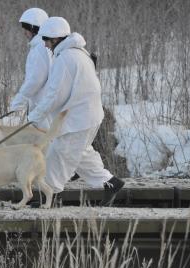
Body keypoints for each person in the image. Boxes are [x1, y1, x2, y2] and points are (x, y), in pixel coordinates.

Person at [28, 17, 125, 198]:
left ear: (55, 39)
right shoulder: (79, 53)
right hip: (87, 116)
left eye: (46, 40)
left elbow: (55, 95)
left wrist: (35, 115)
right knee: (80, 153)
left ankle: (49, 196)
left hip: (78, 118)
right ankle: (111, 183)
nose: (45, 45)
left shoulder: (65, 58)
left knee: (59, 154)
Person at [9, 8, 52, 129]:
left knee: (44, 142)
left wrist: (20, 100)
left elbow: (36, 80)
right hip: (43, 105)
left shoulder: (40, 49)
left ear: (34, 29)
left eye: (26, 28)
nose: (24, 32)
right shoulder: (42, 46)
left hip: (42, 106)